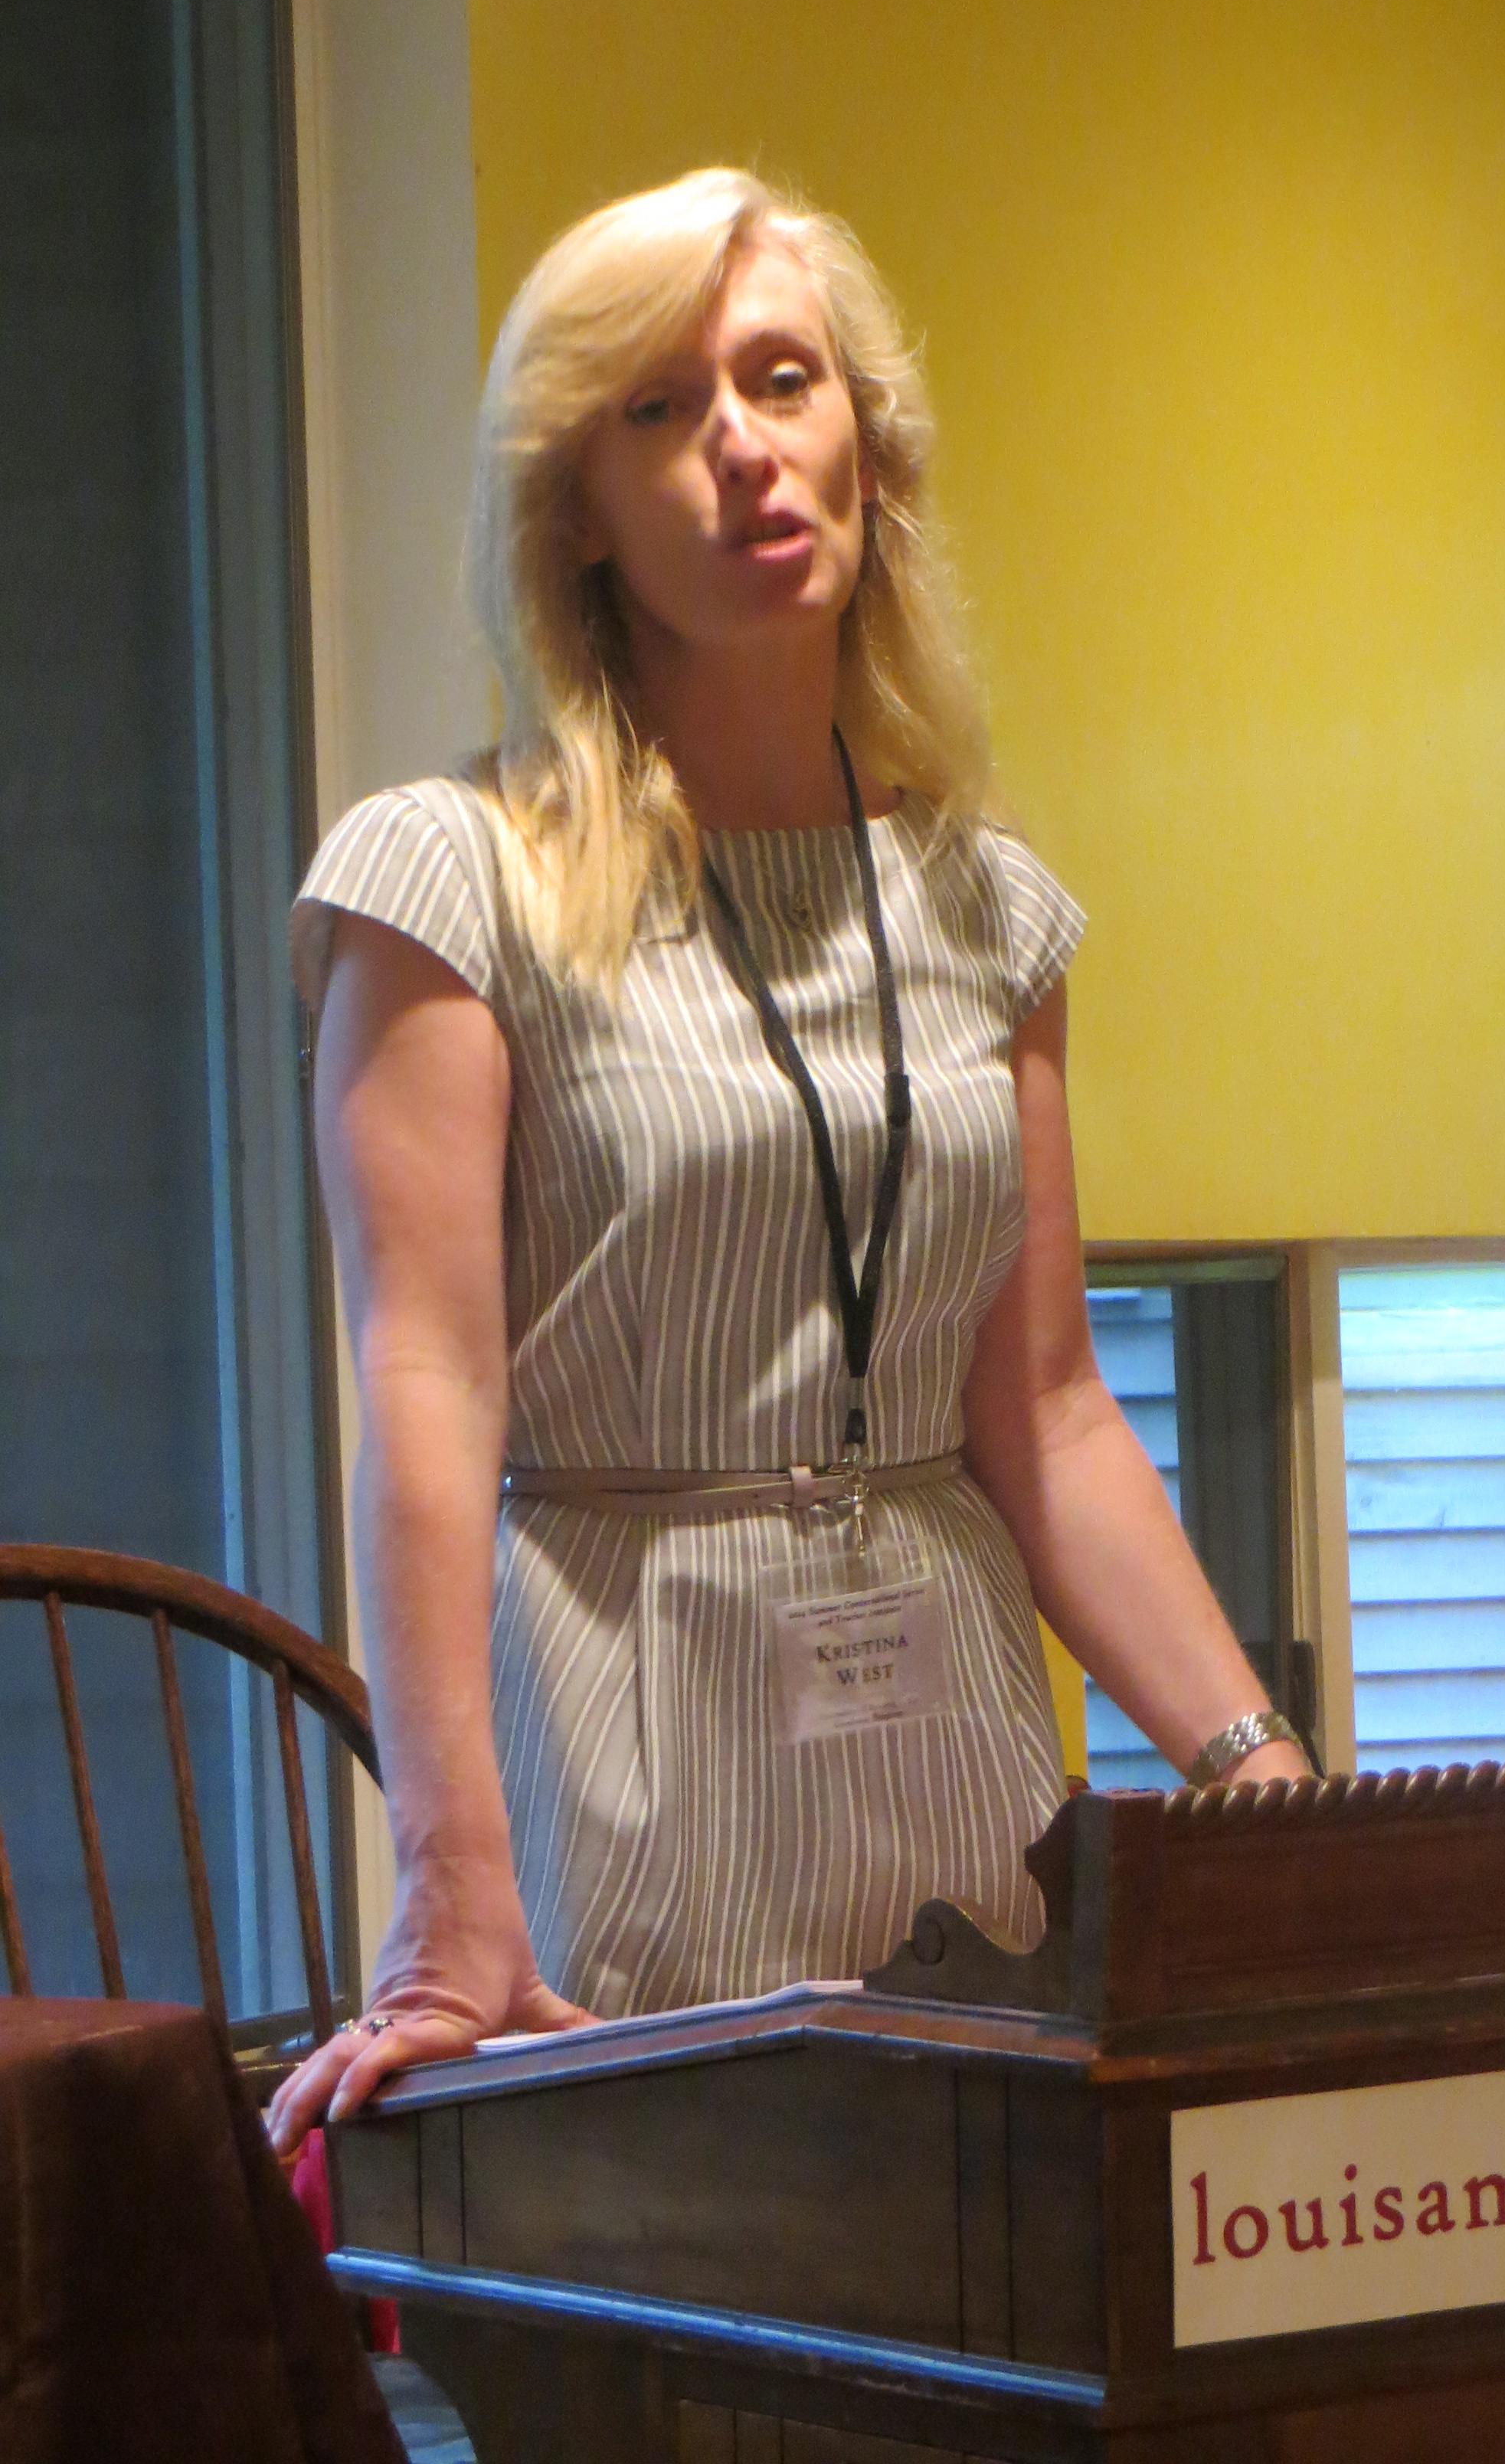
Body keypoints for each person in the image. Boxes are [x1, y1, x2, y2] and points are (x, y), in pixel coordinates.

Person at [265, 169, 1309, 2156]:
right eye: (659, 409)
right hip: (624, 1738)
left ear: (867, 445)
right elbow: (427, 1389)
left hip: (954, 1750)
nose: (739, 444)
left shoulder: (989, 907)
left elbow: (1050, 1415)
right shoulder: (446, 880)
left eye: (779, 380)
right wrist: (449, 1886)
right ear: (578, 508)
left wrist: (1265, 1782)